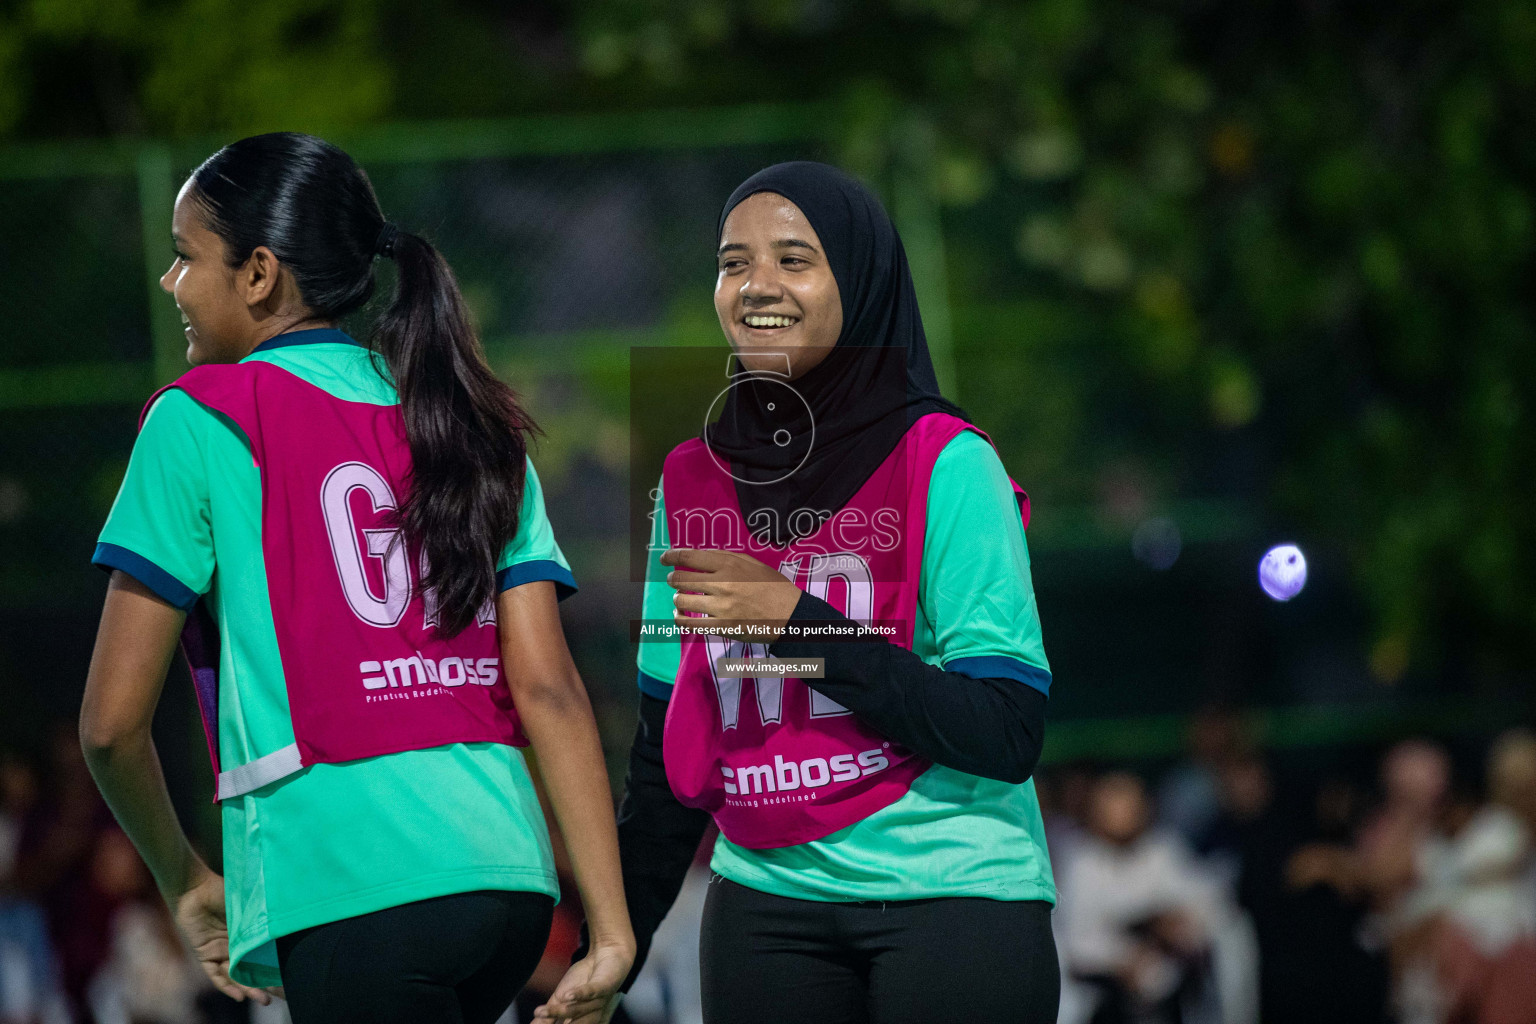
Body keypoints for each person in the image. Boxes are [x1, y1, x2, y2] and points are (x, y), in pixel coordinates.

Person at [78, 132, 632, 1024]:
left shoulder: (199, 418)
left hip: (355, 881)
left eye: (185, 258)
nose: (170, 283)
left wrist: (183, 879)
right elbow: (551, 690)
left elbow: (109, 726)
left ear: (258, 274)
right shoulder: (467, 417)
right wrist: (608, 932)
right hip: (510, 882)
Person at [542, 161, 1058, 1024]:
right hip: (765, 904)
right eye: (732, 262)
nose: (756, 287)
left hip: (952, 893)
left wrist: (793, 621)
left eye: (793, 259)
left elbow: (1005, 729)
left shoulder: (948, 462)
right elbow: (664, 757)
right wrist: (614, 948)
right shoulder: (690, 479)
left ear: (857, 280)